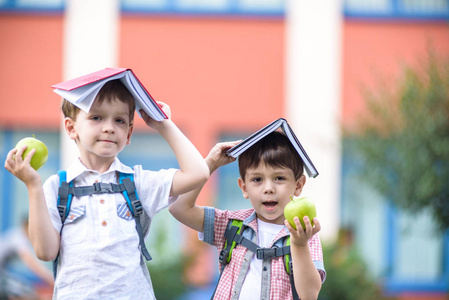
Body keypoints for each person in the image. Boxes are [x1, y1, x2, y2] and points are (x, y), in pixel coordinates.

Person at [4, 79, 209, 299]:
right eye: (96, 117)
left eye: (120, 120)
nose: (110, 127)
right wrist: (32, 184)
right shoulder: (56, 187)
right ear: (72, 128)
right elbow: (45, 252)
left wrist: (164, 125)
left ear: (129, 134)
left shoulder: (137, 182)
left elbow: (198, 173)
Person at [169, 131, 326, 300]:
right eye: (257, 179)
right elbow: (179, 208)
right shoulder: (232, 224)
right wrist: (210, 164)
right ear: (244, 188)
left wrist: (300, 245)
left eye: (279, 178)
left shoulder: (304, 234)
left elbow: (310, 295)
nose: (268, 188)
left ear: (298, 185)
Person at [0, 218, 54, 300]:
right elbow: (32, 264)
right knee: (22, 292)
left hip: (3, 272)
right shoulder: (19, 237)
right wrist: (52, 280)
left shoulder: (16, 234)